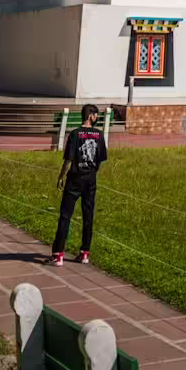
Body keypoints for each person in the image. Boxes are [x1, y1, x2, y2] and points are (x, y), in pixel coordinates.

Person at [50, 104, 107, 266]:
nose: (96, 118)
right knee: (88, 216)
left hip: (74, 179)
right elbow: (99, 160)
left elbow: (69, 159)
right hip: (90, 180)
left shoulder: (75, 134)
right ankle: (84, 253)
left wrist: (62, 176)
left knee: (65, 215)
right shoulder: (99, 135)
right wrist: (92, 173)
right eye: (95, 115)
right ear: (90, 116)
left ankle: (58, 254)